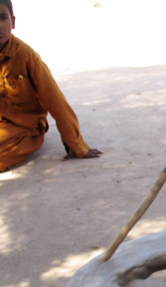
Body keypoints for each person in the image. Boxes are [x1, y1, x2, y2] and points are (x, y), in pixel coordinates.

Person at [0, 0, 102, 172]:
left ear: (13, 22)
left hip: (25, 129)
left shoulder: (26, 56)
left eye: (2, 18)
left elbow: (54, 99)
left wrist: (75, 143)